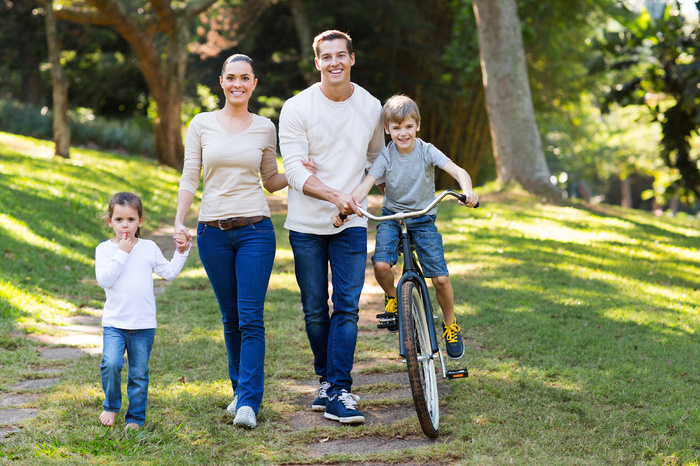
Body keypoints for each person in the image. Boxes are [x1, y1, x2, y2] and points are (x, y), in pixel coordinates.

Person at [174, 54, 314, 429]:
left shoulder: (266, 127)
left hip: (255, 231)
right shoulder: (201, 124)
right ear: (221, 82)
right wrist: (179, 222)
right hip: (211, 233)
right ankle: (239, 390)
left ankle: (249, 402)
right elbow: (190, 176)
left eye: (245, 78)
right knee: (231, 318)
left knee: (251, 317)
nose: (238, 84)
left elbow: (270, 179)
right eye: (231, 78)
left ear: (254, 83)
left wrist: (297, 173)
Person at [279, 30, 385, 425]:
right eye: (327, 57)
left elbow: (377, 160)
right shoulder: (297, 107)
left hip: (352, 224)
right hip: (306, 223)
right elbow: (292, 170)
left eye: (342, 55)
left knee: (347, 306)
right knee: (313, 309)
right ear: (317, 62)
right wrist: (333, 196)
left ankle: (338, 389)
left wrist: (353, 198)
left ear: (352, 59)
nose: (335, 62)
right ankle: (326, 382)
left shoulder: (371, 107)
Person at [331, 94, 479, 360]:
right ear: (387, 129)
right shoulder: (386, 156)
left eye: (408, 127)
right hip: (392, 217)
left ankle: (449, 325)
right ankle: (392, 297)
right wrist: (346, 207)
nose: (403, 133)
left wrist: (467, 191)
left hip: (422, 219)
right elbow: (366, 184)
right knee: (380, 265)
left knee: (441, 278)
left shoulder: (426, 150)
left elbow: (459, 172)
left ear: (417, 126)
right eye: (396, 128)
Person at [96, 192, 191, 430]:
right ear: (110, 221)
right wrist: (122, 253)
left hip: (143, 324)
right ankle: (111, 404)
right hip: (115, 323)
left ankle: (135, 418)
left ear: (140, 221)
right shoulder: (105, 250)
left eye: (130, 219)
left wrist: (182, 251)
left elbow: (168, 272)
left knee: (138, 373)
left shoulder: (148, 247)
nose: (124, 225)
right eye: (119, 220)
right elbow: (105, 280)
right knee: (111, 363)